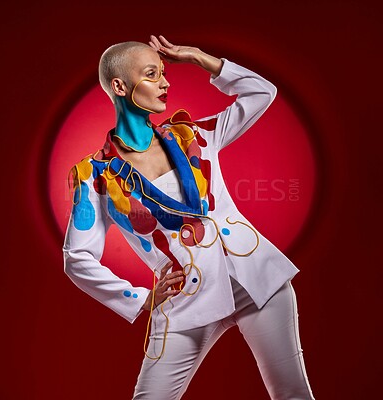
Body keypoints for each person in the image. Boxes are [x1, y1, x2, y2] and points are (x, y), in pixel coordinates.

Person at [63, 34, 316, 399]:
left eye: (164, 72)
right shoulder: (93, 176)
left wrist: (199, 58)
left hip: (258, 279)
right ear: (120, 85)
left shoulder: (193, 135)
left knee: (293, 394)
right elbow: (76, 257)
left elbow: (261, 93)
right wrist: (138, 298)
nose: (166, 82)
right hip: (185, 299)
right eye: (152, 74)